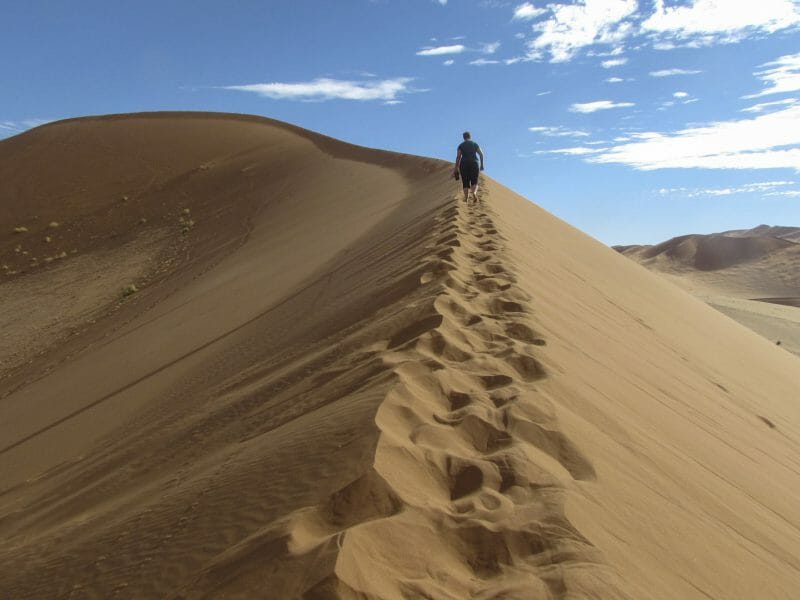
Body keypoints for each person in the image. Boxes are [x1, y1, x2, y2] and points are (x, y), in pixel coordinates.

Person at [453, 131, 484, 203]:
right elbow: (481, 154)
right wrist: (481, 165)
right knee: (474, 181)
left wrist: (456, 168)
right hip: (474, 163)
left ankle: (466, 198)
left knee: (465, 182)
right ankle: (474, 193)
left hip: (464, 164)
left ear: (463, 137)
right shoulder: (475, 144)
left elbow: (458, 157)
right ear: (470, 136)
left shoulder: (461, 145)